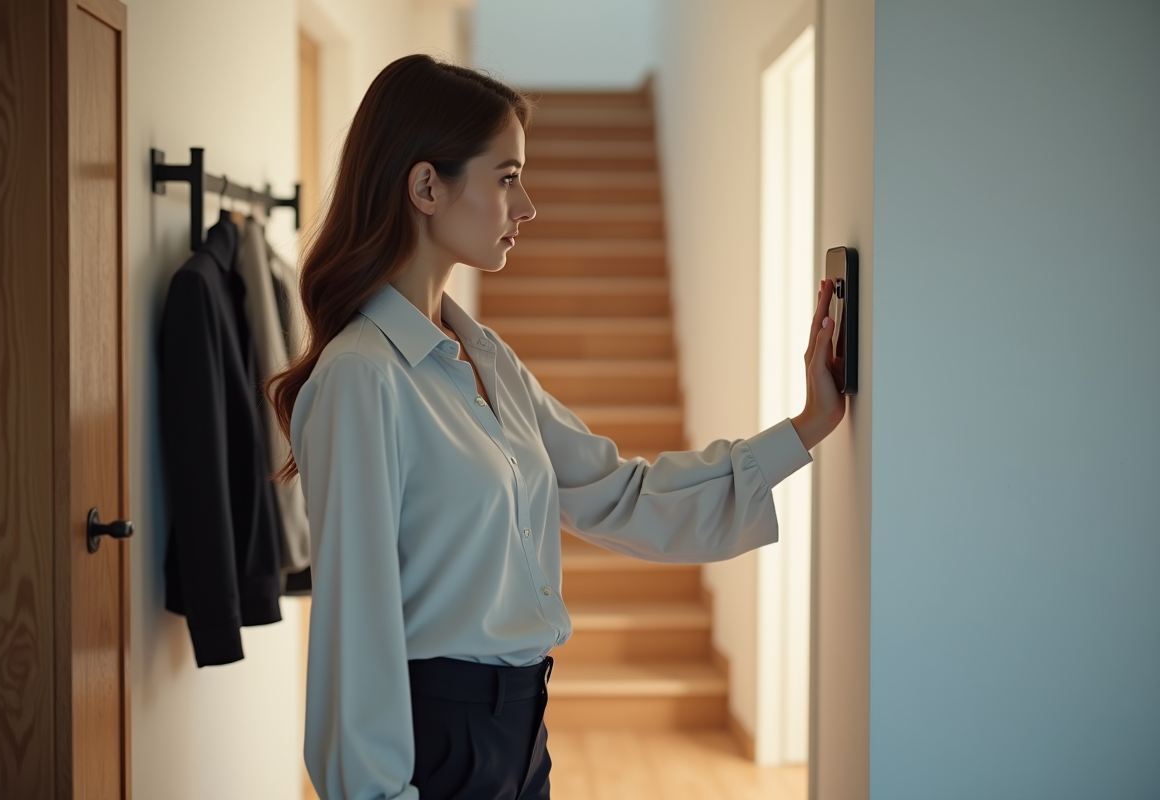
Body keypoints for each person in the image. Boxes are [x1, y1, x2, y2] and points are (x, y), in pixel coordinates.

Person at [267, 54, 845, 800]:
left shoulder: (486, 358)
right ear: (425, 187)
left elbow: (619, 493)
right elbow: (355, 640)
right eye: (507, 178)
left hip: (521, 736)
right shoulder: (360, 378)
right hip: (436, 749)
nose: (528, 206)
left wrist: (805, 428)